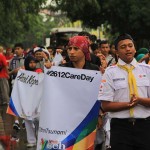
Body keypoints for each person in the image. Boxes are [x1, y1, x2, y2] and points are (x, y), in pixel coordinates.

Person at [98, 33, 150, 150]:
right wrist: (128, 105)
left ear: (135, 49)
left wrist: (140, 100)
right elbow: (105, 105)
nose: (127, 49)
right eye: (123, 47)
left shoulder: (147, 70)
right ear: (116, 52)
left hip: (145, 126)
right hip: (120, 128)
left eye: (130, 46)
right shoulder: (110, 73)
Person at [24, 55, 42, 148]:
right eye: (30, 62)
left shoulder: (39, 71)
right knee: (27, 120)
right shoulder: (23, 74)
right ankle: (31, 140)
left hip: (38, 101)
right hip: (27, 101)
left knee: (39, 120)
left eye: (34, 62)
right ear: (27, 63)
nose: (32, 64)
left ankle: (40, 139)